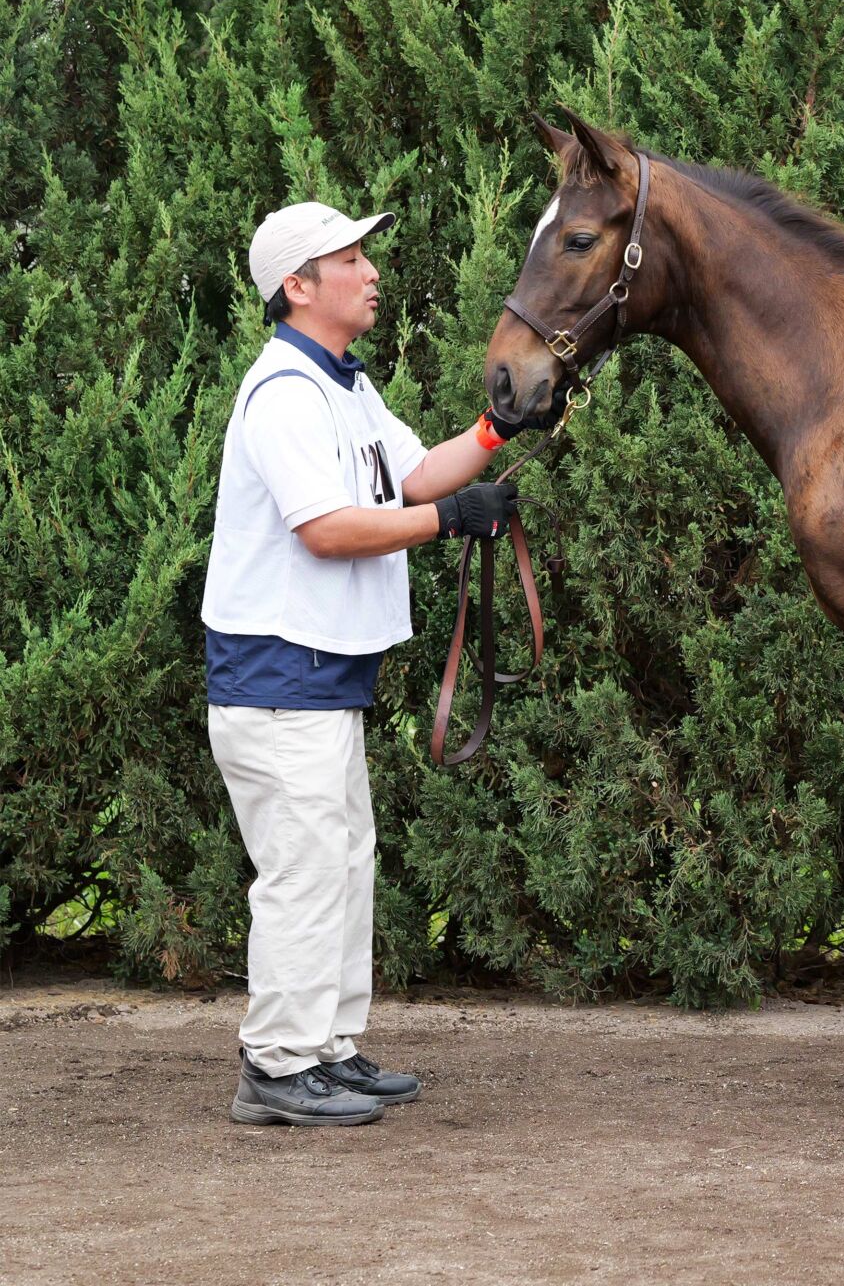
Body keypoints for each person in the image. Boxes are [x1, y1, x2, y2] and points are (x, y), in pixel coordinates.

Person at [203, 201, 549, 1125]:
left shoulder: (345, 386)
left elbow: (415, 475)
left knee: (342, 860)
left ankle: (327, 1049)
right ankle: (275, 1067)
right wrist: (450, 522)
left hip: (315, 683)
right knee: (306, 870)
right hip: (278, 682)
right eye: (350, 258)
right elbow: (326, 530)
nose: (371, 271)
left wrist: (496, 431)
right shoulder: (283, 392)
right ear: (298, 286)